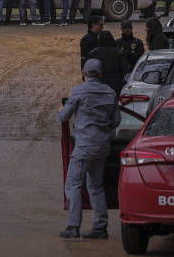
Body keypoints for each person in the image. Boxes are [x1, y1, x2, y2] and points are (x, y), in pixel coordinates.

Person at [56, 59, 120, 240]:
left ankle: (73, 226)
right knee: (96, 186)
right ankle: (100, 227)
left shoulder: (78, 91)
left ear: (83, 73)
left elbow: (63, 117)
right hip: (103, 146)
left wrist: (61, 109)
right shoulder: (110, 93)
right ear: (100, 74)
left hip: (84, 145)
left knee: (73, 184)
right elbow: (116, 121)